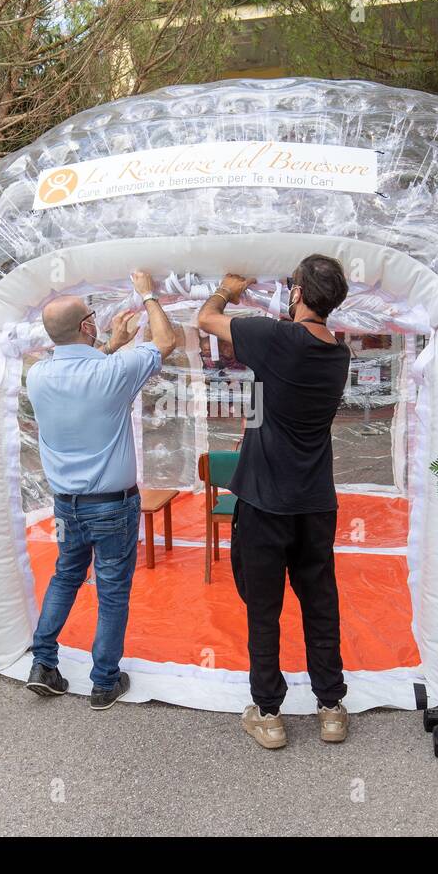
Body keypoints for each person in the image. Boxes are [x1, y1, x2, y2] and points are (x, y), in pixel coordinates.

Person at [196, 255, 352, 749]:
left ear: (299, 293)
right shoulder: (338, 354)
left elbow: (206, 319)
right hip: (315, 502)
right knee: (320, 603)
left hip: (265, 503)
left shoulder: (276, 338)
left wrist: (226, 289)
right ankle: (330, 707)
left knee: (264, 610)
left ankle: (268, 713)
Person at [24, 271, 177, 710]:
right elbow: (165, 341)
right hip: (112, 505)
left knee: (66, 576)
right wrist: (148, 293)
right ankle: (104, 681)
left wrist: (111, 342)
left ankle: (44, 663)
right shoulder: (113, 373)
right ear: (88, 326)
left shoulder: (39, 377)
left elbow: (84, 369)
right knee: (112, 591)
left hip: (67, 505)